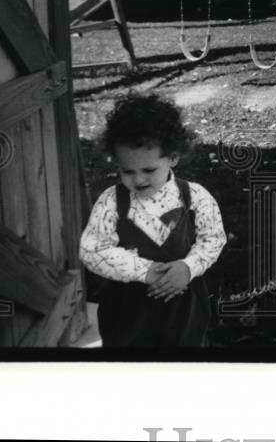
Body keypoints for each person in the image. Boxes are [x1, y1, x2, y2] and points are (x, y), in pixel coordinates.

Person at [79, 93, 226, 347]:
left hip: (183, 311)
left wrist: (188, 267)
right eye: (127, 171)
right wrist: (144, 271)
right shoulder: (111, 202)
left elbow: (213, 239)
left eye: (149, 170)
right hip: (128, 314)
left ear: (173, 158)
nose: (138, 180)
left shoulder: (195, 197)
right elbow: (92, 250)